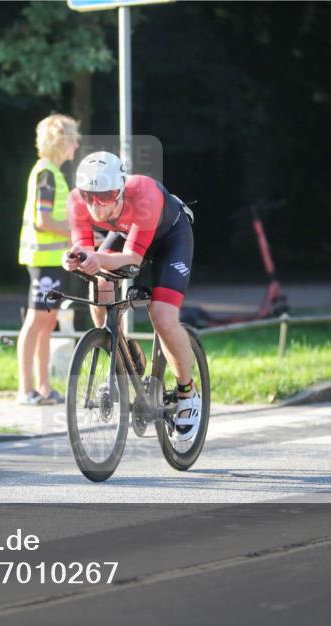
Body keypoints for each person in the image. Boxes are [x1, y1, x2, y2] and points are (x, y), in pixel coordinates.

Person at [62, 151, 201, 441]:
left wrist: (96, 258)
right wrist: (74, 258)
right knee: (100, 282)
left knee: (162, 316)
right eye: (89, 196)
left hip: (170, 238)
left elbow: (132, 260)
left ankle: (187, 392)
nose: (97, 205)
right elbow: (86, 250)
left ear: (122, 189)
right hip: (130, 233)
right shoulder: (76, 200)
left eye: (107, 195)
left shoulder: (145, 194)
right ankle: (121, 351)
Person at [16, 114, 80, 405]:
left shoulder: (51, 172)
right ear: (61, 141)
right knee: (35, 321)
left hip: (55, 260)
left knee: (48, 321)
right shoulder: (46, 174)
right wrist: (75, 232)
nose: (77, 144)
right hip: (43, 261)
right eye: (73, 138)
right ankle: (26, 388)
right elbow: (43, 221)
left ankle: (44, 387)